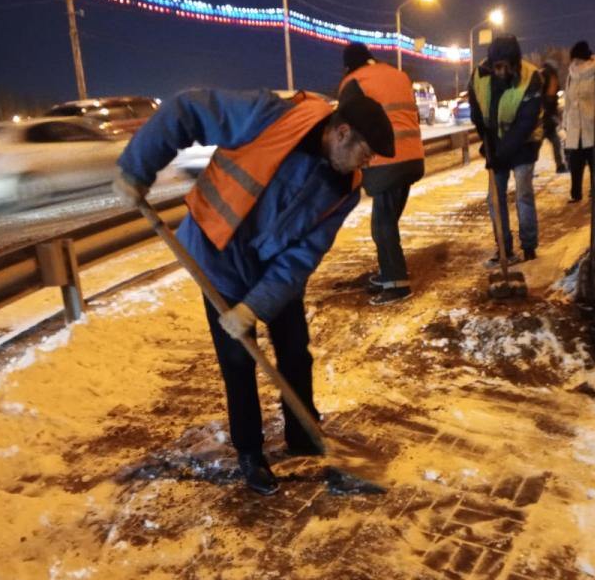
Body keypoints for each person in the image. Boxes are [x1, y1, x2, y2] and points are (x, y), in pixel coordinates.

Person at [112, 87, 394, 496]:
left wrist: (254, 306)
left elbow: (300, 258)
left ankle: (304, 435)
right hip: (218, 256)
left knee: (295, 350)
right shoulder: (271, 116)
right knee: (238, 359)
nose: (368, 164)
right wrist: (137, 169)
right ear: (343, 132)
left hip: (272, 273)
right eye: (366, 153)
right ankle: (250, 452)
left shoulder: (344, 189)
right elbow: (185, 109)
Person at [339, 42, 425, 306]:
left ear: (349, 66)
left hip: (385, 161)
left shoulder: (354, 82)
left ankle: (397, 284)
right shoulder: (397, 74)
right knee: (387, 221)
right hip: (413, 157)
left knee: (382, 225)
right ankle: (388, 273)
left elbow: (346, 125)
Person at [469, 34, 544, 265]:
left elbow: (525, 124)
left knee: (523, 194)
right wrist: (488, 144)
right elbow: (477, 112)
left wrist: (500, 153)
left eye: (504, 67)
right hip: (496, 143)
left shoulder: (531, 78)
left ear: (514, 63)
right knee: (494, 198)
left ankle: (529, 246)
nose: (499, 72)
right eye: (496, 66)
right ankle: (504, 249)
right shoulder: (480, 76)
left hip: (524, 143)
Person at [563, 40, 595, 203]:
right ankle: (575, 194)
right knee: (575, 163)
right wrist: (565, 123)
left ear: (584, 57)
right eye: (573, 59)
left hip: (591, 125)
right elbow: (567, 100)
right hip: (575, 126)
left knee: (594, 162)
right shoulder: (570, 75)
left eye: (577, 59)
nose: (575, 62)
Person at [540, 59, 567, 173]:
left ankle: (560, 165)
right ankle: (560, 165)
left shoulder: (549, 78)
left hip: (547, 121)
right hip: (543, 121)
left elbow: (554, 99)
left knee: (555, 142)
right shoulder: (545, 76)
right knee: (536, 145)